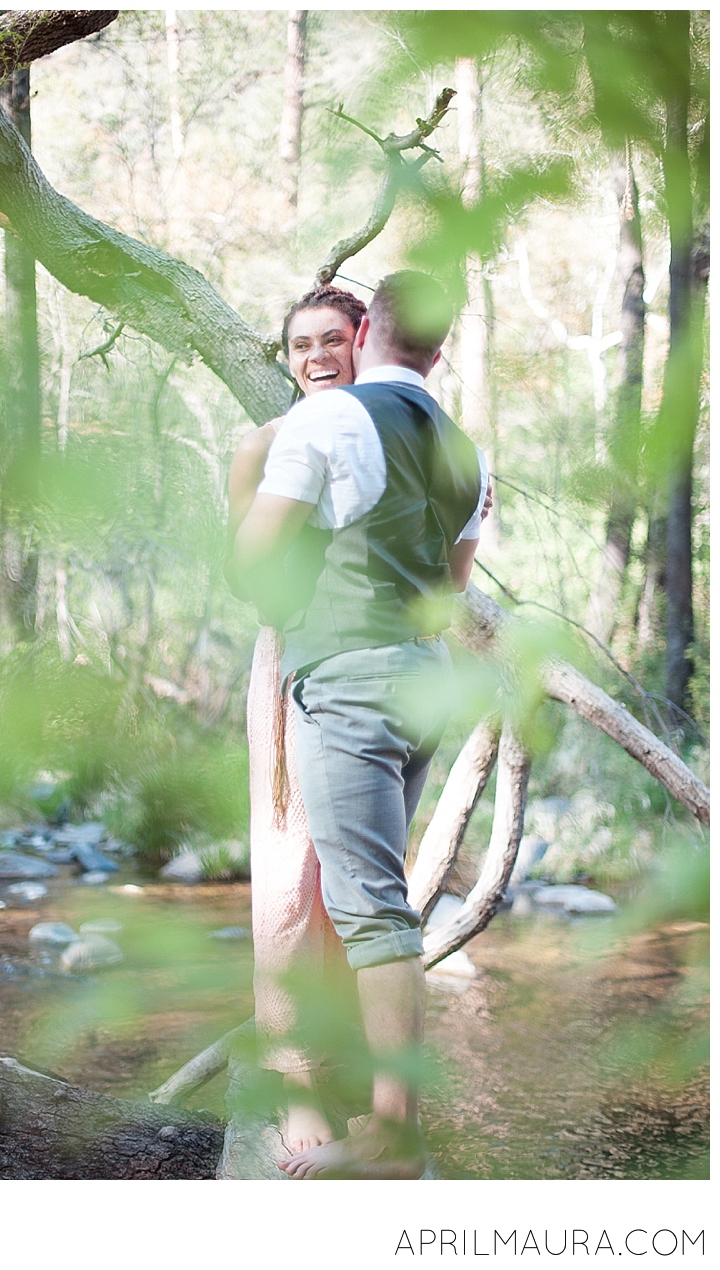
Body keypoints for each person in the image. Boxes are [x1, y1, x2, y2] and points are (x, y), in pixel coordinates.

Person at [233, 270, 489, 1179]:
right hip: (424, 684)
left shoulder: (328, 422)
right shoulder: (468, 449)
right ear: (442, 347)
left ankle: (390, 1132)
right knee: (369, 896)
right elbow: (452, 588)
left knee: (370, 912)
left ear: (368, 330)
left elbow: (255, 564)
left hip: (343, 675)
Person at [225, 285, 368, 1154]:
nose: (316, 356)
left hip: (381, 674)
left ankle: (363, 1076)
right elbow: (243, 576)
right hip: (294, 669)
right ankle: (298, 1084)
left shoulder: (403, 439)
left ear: (363, 342)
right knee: (291, 877)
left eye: (332, 340)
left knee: (358, 884)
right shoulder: (265, 446)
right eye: (300, 345)